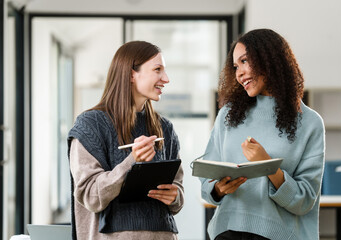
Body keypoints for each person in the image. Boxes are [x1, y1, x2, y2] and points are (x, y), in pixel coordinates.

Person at [199, 29, 325, 240]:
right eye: (235, 67)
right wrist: (218, 189)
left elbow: (306, 200)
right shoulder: (228, 115)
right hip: (226, 231)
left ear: (270, 59)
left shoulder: (310, 123)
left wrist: (267, 165)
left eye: (245, 61)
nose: (239, 73)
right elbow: (206, 182)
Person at [67, 41, 184, 240]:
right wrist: (131, 162)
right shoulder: (90, 125)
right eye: (157, 70)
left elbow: (178, 188)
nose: (166, 79)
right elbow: (90, 195)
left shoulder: (165, 128)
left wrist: (175, 196)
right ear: (131, 74)